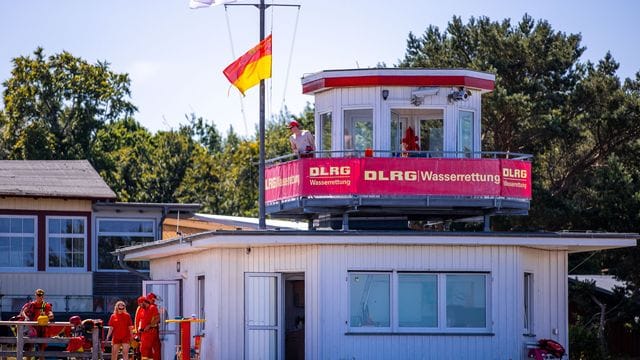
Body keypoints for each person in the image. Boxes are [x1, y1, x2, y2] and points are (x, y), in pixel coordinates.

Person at [19, 288, 54, 360]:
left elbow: (51, 314)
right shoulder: (31, 304)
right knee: (29, 348)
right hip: (32, 328)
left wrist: (49, 316)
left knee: (41, 349)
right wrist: (26, 318)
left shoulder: (46, 305)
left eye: (41, 295)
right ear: (35, 295)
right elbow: (23, 312)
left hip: (42, 329)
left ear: (43, 296)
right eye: (38, 295)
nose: (39, 296)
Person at [146, 293, 162, 360]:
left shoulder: (152, 307)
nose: (154, 301)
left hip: (151, 329)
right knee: (154, 348)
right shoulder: (152, 307)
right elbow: (157, 318)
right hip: (151, 329)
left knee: (154, 348)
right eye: (153, 300)